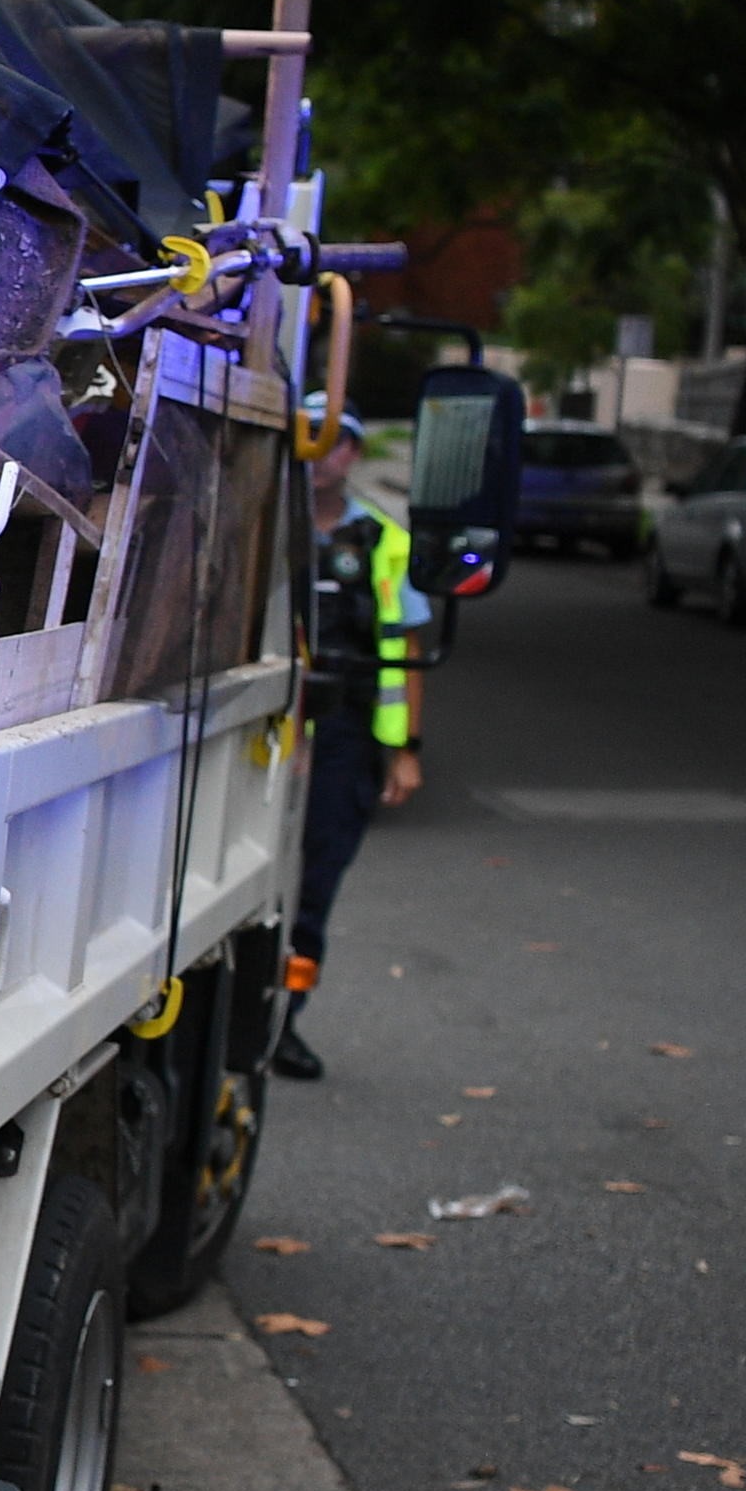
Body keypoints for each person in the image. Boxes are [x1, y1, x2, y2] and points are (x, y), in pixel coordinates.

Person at [272, 413, 424, 1080]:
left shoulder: (384, 540)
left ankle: (286, 1019)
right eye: (307, 433)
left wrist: (406, 748)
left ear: (355, 451)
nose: (319, 451)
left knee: (315, 886)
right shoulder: (269, 527)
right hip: (269, 725)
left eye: (334, 438)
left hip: (346, 735)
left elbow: (406, 647)